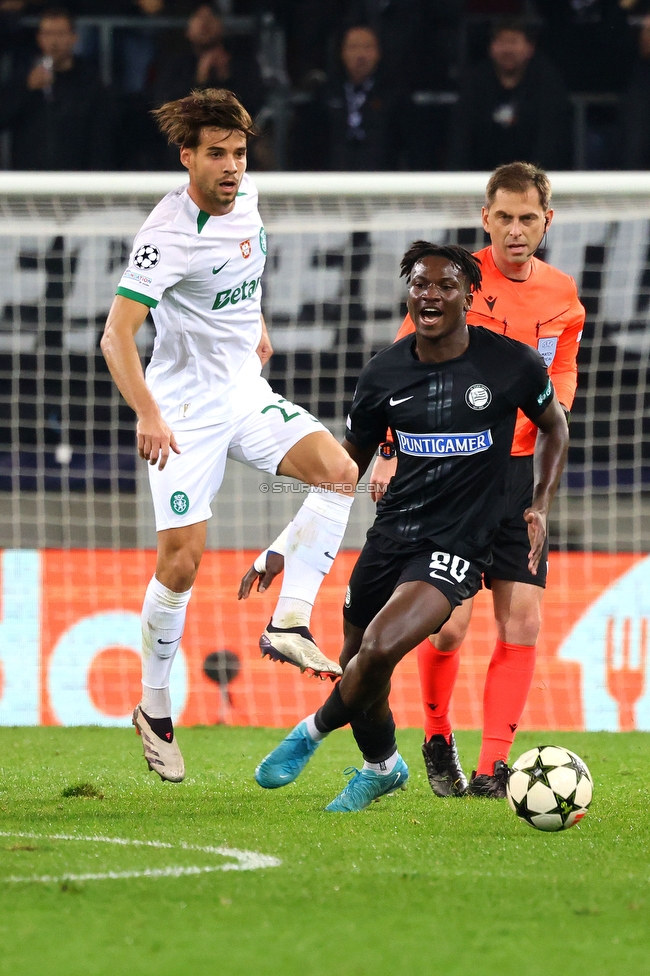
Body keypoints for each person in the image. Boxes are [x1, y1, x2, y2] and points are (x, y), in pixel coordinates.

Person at [241, 161, 584, 798]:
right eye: (503, 217)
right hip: (435, 479)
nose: (515, 230)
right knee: (444, 628)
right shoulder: (454, 283)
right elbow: (408, 380)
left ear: (546, 222)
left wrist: (539, 492)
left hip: (515, 477)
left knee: (522, 625)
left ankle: (493, 769)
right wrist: (394, 450)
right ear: (486, 219)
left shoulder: (564, 297)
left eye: (527, 218)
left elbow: (558, 390)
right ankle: (434, 738)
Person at [101, 88, 357, 784]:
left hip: (245, 390)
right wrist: (149, 413)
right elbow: (116, 336)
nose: (231, 168)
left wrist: (257, 325)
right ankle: (154, 707)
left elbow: (245, 274)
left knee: (339, 471)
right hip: (183, 410)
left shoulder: (247, 200)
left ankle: (290, 620)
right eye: (216, 154)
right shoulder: (167, 233)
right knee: (182, 563)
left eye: (239, 154)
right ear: (188, 157)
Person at [0, 6, 118, 170]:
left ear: (74, 38)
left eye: (60, 34)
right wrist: (26, 88)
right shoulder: (22, 77)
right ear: (39, 38)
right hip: (28, 181)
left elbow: (101, 138)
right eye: (48, 34)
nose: (54, 41)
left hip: (75, 180)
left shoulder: (89, 82)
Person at [448, 20, 570, 171]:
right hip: (480, 178)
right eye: (501, 42)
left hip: (532, 178)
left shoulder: (548, 82)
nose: (507, 49)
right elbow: (461, 138)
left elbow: (550, 141)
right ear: (491, 48)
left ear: (530, 48)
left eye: (513, 42)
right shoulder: (475, 82)